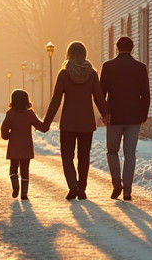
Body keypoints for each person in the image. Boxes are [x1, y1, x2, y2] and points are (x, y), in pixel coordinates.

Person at [43, 41, 106, 200]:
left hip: (68, 123)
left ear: (68, 54)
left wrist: (46, 122)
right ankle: (82, 188)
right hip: (86, 123)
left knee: (67, 156)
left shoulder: (64, 74)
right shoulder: (92, 74)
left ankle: (73, 186)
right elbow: (99, 98)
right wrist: (107, 115)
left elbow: (56, 100)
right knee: (84, 156)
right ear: (85, 54)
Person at [100, 36, 151, 201]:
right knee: (130, 154)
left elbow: (102, 94)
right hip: (134, 116)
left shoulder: (108, 67)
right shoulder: (141, 68)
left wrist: (104, 113)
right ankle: (127, 190)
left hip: (114, 116)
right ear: (132, 48)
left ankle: (117, 184)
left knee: (112, 151)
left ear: (116, 47)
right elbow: (146, 95)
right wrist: (143, 115)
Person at [0, 89, 48, 200]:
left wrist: (6, 136)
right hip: (26, 146)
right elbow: (42, 127)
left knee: (13, 168)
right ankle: (24, 194)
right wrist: (47, 123)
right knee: (25, 170)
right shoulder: (30, 114)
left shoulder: (11, 114)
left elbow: (4, 129)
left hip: (14, 146)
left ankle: (15, 185)